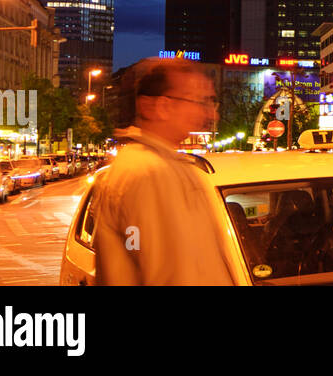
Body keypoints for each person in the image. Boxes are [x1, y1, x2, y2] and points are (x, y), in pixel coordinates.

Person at [92, 61, 242, 285]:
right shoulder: (148, 173)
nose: (212, 115)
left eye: (212, 102)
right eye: (201, 101)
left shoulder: (169, 165)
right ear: (161, 106)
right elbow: (174, 274)